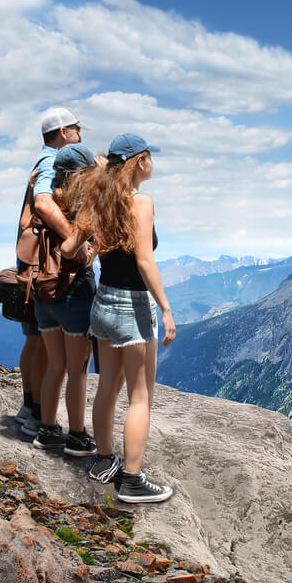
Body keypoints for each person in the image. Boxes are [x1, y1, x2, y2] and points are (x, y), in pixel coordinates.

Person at [61, 133, 176, 503]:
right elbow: (144, 260)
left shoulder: (97, 200)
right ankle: (132, 479)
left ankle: (103, 460)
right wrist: (166, 308)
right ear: (140, 162)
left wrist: (91, 245)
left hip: (103, 303)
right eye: (149, 158)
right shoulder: (141, 203)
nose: (152, 164)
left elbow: (67, 248)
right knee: (140, 397)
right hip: (133, 306)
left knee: (107, 387)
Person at [17, 108, 86, 437]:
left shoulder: (40, 161)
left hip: (31, 265)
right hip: (49, 268)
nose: (79, 135)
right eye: (75, 129)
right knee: (48, 344)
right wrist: (74, 237)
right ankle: (38, 416)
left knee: (35, 339)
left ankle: (29, 408)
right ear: (62, 131)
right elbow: (43, 203)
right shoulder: (52, 163)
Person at [31, 143, 102, 457]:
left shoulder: (44, 202)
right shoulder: (81, 205)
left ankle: (47, 431)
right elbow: (84, 250)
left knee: (55, 366)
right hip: (75, 291)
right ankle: (76, 436)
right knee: (78, 370)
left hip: (42, 291)